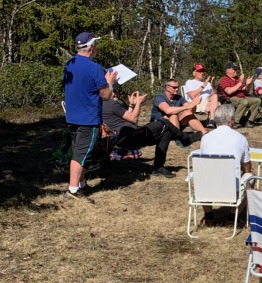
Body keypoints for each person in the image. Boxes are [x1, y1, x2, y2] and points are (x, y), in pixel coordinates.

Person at [62, 31, 119, 198]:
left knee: (80, 150)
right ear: (92, 47)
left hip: (73, 116)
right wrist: (110, 82)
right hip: (88, 118)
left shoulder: (70, 64)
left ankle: (80, 182)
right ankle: (73, 190)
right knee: (81, 153)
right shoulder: (94, 68)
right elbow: (106, 95)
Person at [102, 87, 177, 178]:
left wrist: (131, 105)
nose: (115, 94)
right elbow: (133, 119)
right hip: (129, 137)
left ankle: (158, 168)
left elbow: (126, 119)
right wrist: (138, 103)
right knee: (164, 122)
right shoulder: (111, 104)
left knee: (166, 132)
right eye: (113, 92)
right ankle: (185, 138)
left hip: (129, 135)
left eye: (116, 91)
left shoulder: (104, 105)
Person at [151, 78, 206, 145]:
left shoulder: (179, 97)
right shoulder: (160, 97)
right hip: (160, 127)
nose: (177, 89)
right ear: (167, 88)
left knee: (188, 113)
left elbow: (191, 110)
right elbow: (168, 110)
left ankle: (205, 134)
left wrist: (194, 104)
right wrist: (187, 106)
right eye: (174, 87)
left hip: (173, 128)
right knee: (173, 115)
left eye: (177, 87)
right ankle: (180, 139)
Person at [183, 63, 218, 129]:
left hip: (208, 103)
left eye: (203, 71)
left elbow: (214, 94)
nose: (202, 73)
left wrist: (212, 84)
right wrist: (203, 85)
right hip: (197, 104)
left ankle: (211, 120)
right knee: (217, 105)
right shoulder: (190, 82)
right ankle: (212, 121)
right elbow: (192, 95)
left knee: (215, 96)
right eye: (200, 71)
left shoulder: (208, 83)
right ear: (194, 73)